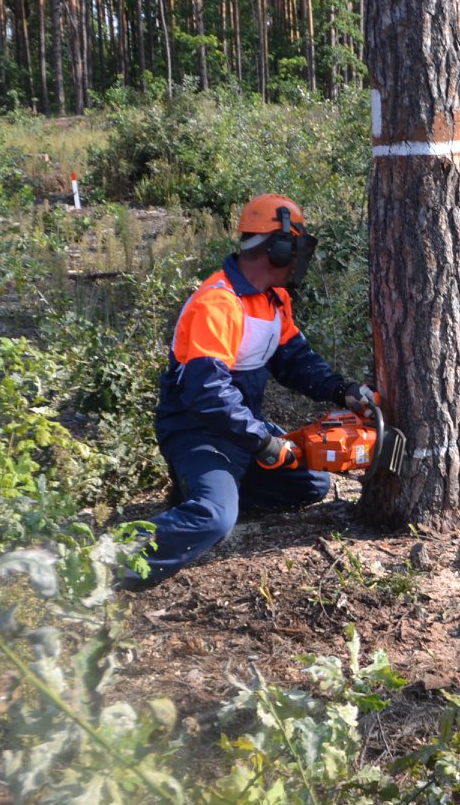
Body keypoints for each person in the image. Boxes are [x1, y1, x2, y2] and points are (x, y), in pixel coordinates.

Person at [134, 194, 374, 587]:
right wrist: (262, 441)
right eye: (295, 248)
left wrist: (342, 390)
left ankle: (209, 485)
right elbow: (207, 394)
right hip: (198, 432)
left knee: (313, 482)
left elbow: (293, 358)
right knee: (215, 517)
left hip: (243, 429)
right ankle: (112, 561)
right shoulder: (217, 303)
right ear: (278, 249)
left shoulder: (273, 300)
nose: (299, 259)